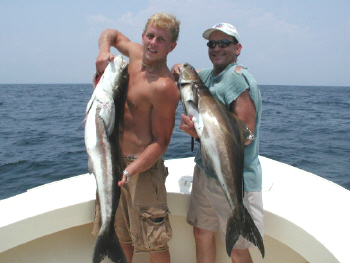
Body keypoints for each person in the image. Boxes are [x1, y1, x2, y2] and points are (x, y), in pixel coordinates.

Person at [92, 12, 181, 263]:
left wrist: (130, 171)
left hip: (142, 168)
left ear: (171, 46)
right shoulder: (133, 53)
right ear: (143, 36)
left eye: (161, 40)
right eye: (150, 36)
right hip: (113, 160)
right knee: (121, 236)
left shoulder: (164, 86)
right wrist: (103, 50)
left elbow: (162, 142)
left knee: (154, 242)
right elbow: (110, 32)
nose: (153, 43)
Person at [172, 23, 264, 263]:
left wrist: (197, 134)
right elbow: (182, 71)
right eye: (212, 44)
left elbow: (245, 135)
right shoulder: (208, 77)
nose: (217, 48)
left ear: (238, 48)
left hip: (234, 177)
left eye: (224, 43)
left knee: (237, 249)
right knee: (201, 232)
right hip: (206, 172)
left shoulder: (237, 81)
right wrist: (180, 69)